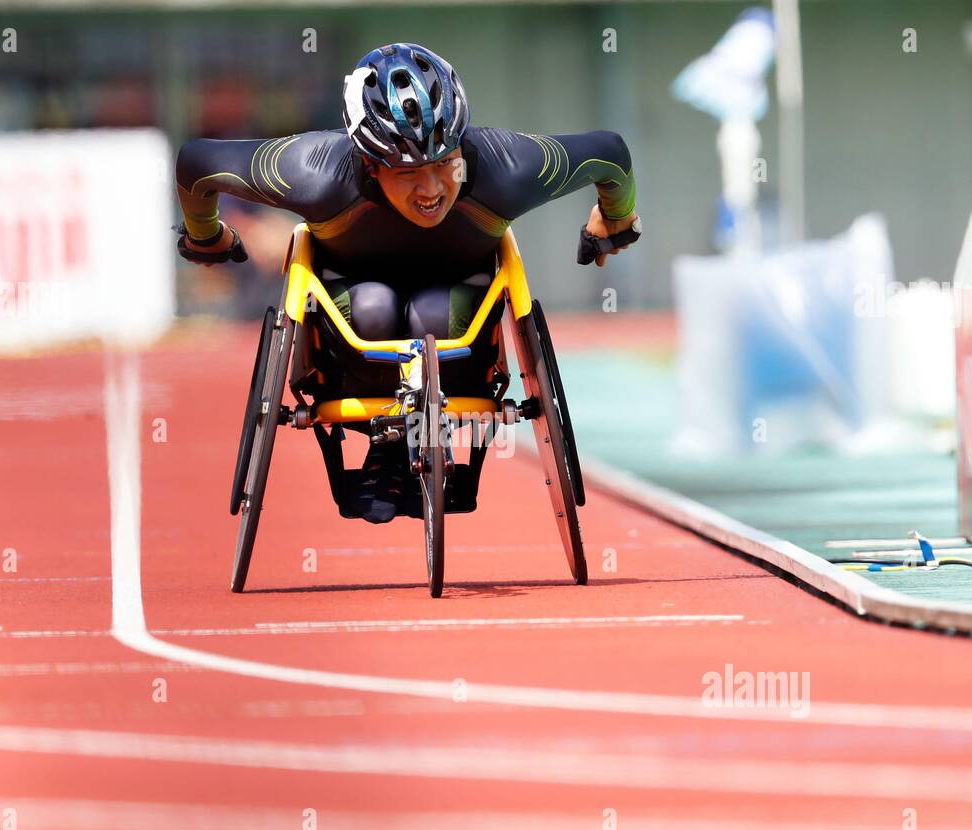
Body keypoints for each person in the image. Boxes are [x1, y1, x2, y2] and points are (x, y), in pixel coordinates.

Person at [176, 41, 640, 522]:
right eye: (407, 172)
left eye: (445, 163)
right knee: (374, 304)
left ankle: (417, 445)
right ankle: (390, 447)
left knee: (433, 313)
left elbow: (610, 154)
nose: (432, 188)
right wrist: (205, 235)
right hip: (353, 329)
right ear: (370, 166)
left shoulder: (509, 167)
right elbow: (197, 164)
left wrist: (616, 219)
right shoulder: (313, 170)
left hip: (458, 327)